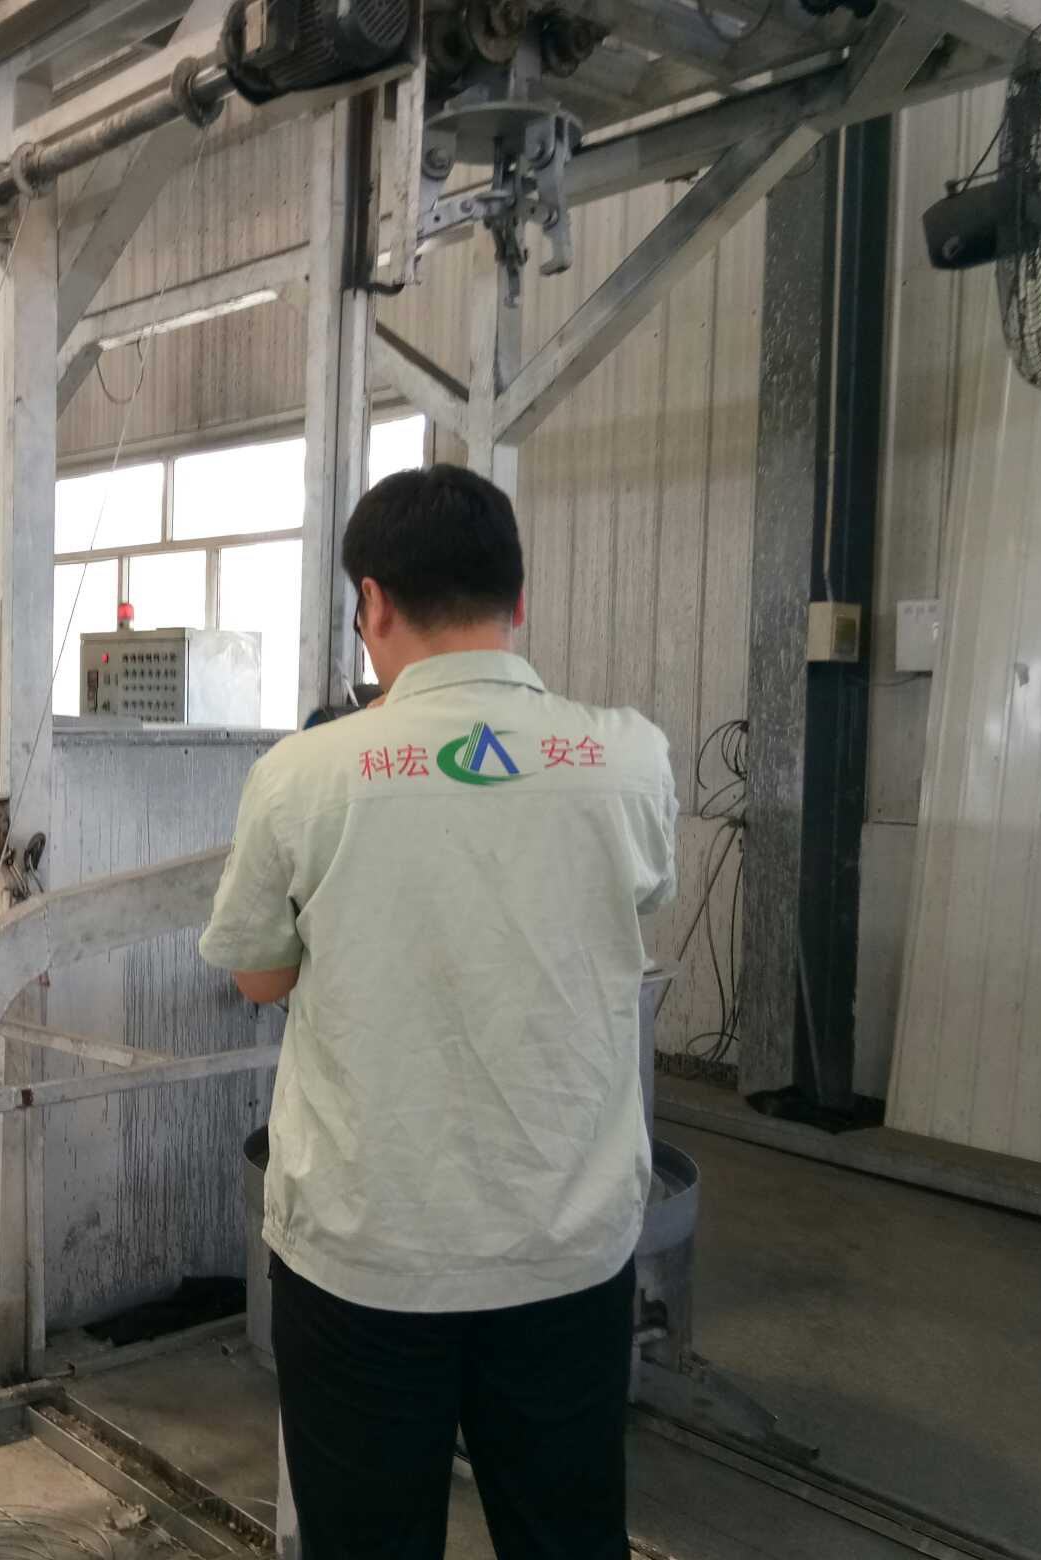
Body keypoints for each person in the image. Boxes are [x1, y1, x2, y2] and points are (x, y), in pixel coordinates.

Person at [198, 465, 678, 1560]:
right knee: (567, 1536)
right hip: (565, 1242)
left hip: (368, 1248)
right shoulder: (628, 758)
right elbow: (629, 906)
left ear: (371, 602)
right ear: (519, 602)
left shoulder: (304, 774)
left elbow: (259, 978)